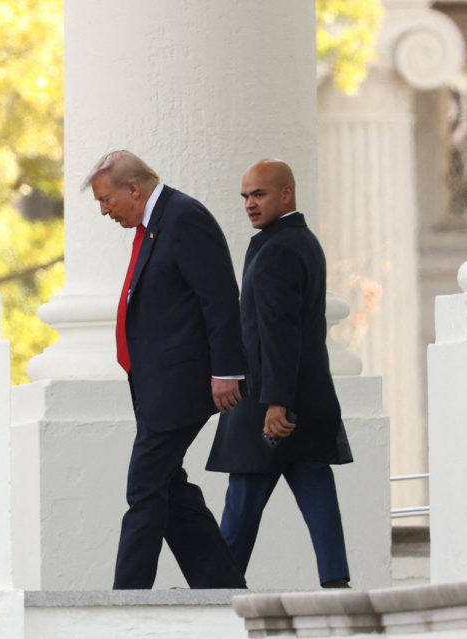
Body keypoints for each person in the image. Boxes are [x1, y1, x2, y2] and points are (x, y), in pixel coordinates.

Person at [83, 150, 247, 590]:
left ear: (133, 189)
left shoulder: (185, 217)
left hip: (180, 387)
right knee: (170, 489)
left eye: (105, 199)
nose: (103, 210)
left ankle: (126, 601)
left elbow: (219, 297)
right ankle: (222, 587)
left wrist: (227, 370)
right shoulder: (157, 223)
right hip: (158, 386)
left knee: (144, 489)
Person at [206, 158, 353, 588]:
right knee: (312, 486)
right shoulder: (298, 241)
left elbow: (279, 334)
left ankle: (218, 588)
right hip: (302, 398)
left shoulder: (279, 249)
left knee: (244, 496)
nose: (249, 204)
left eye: (259, 194)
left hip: (273, 405)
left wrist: (276, 403)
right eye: (245, 197)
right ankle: (336, 583)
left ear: (286, 193)